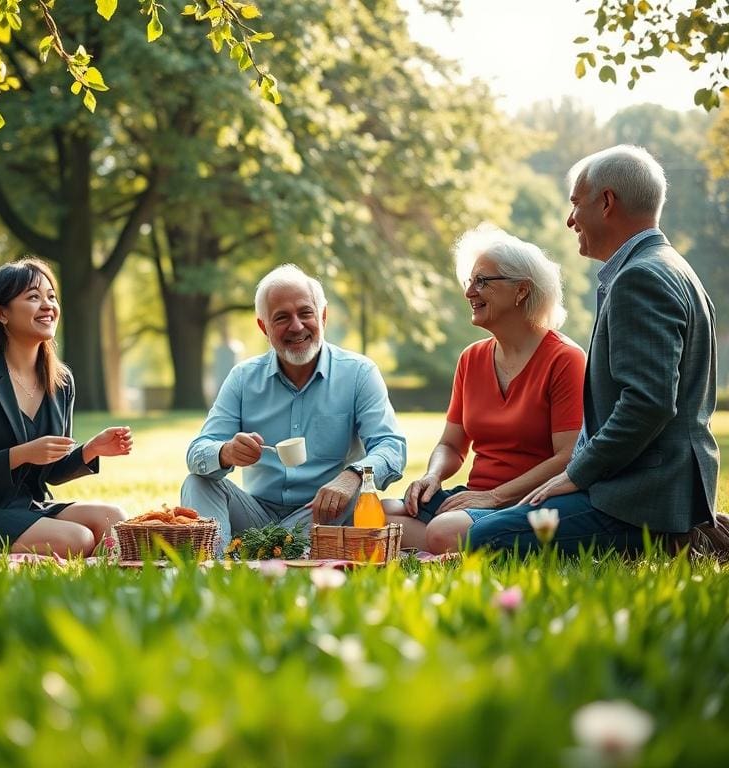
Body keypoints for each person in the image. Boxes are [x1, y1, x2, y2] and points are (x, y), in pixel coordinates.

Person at [448, 144, 719, 554]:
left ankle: (687, 538)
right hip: (653, 490)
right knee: (487, 520)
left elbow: (648, 402)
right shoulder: (673, 267)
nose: (570, 219)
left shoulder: (640, 278)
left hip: (641, 500)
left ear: (606, 202)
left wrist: (576, 474)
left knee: (484, 538)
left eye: (576, 204)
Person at [382, 226, 586, 552]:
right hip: (472, 499)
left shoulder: (565, 359)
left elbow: (568, 457)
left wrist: (492, 497)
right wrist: (433, 477)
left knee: (442, 530)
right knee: (375, 515)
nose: (469, 292)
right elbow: (451, 444)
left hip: (527, 503)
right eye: (470, 281)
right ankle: (446, 547)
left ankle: (442, 545)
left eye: (482, 282)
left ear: (521, 291)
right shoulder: (471, 359)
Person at [181, 264, 407, 555]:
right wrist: (225, 452)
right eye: (282, 318)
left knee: (357, 491)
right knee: (197, 482)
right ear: (263, 327)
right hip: (255, 514)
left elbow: (391, 447)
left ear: (322, 316)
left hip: (321, 514)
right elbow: (198, 451)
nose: (297, 326)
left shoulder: (359, 373)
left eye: (306, 313)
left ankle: (264, 554)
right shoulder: (242, 378)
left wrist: (352, 476)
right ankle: (217, 568)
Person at [0, 258, 133, 557]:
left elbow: (50, 472)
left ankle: (99, 576)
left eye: (51, 296)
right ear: (1, 313)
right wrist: (20, 454)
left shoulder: (61, 381)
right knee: (78, 539)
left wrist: (91, 449)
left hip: (27, 506)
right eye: (33, 297)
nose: (48, 305)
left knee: (116, 519)